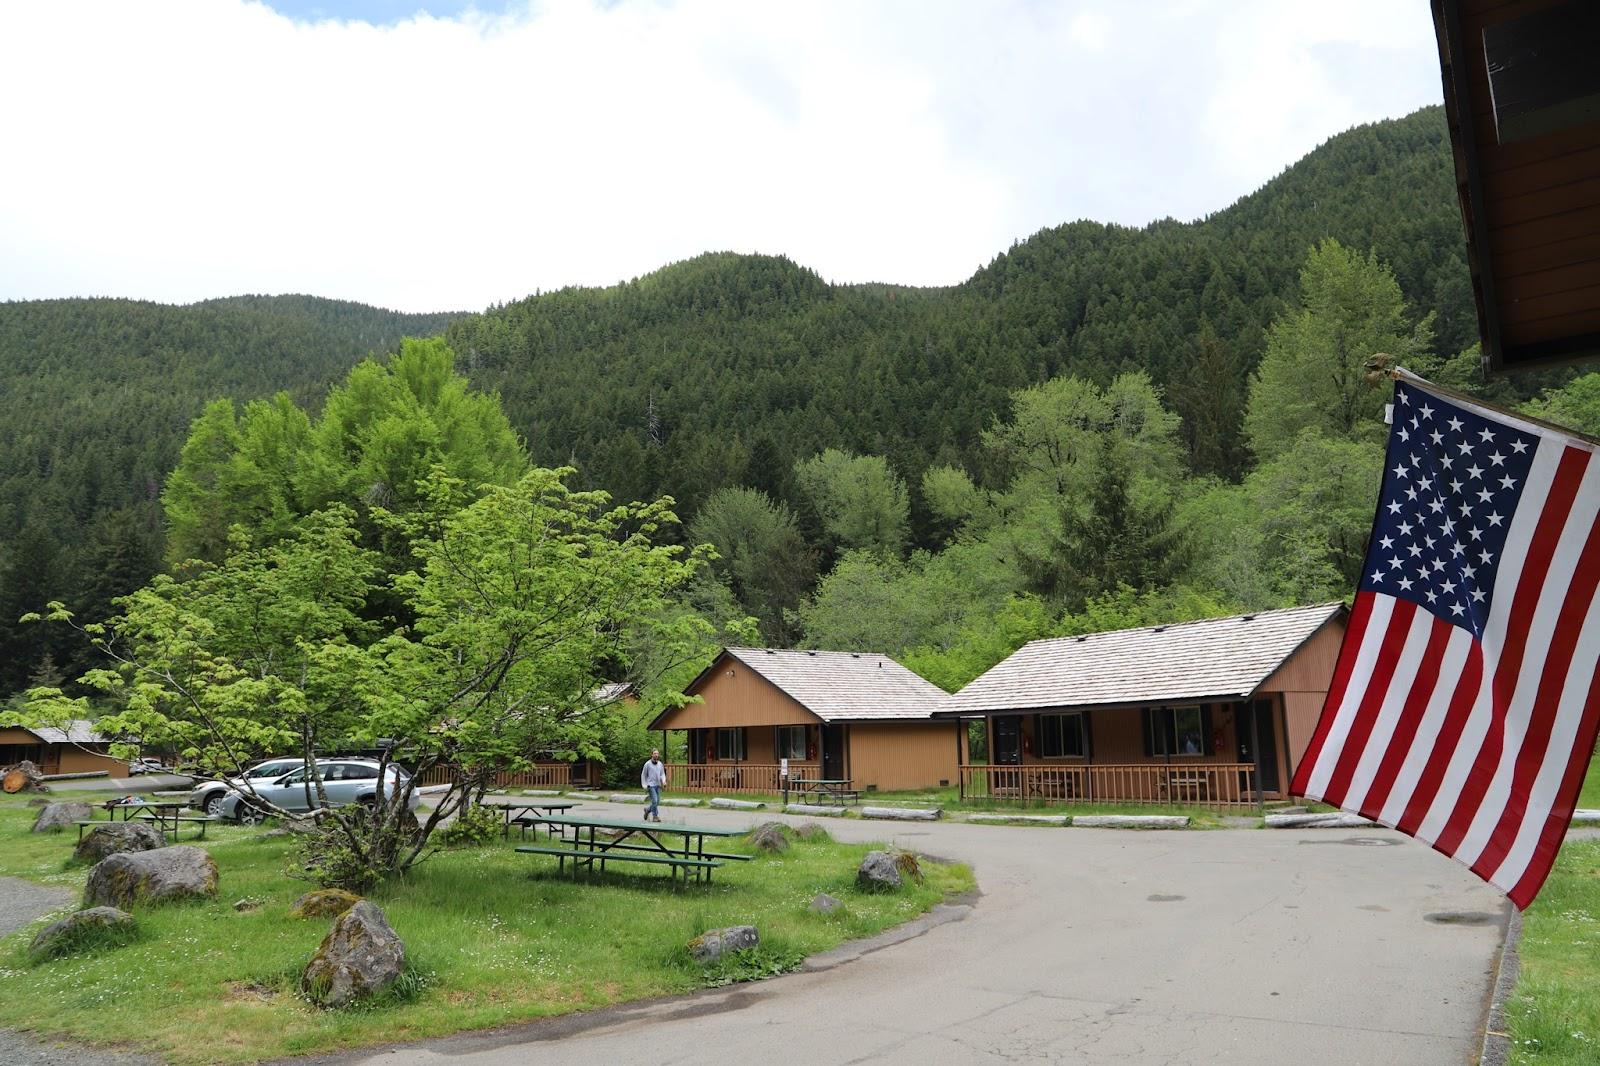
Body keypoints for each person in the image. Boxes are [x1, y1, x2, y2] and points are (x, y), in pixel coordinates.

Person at [641, 749, 667, 822]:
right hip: (651, 785)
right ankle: (655, 816)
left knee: (657, 801)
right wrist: (644, 785)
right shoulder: (647, 764)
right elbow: (643, 775)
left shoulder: (660, 764)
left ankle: (648, 809)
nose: (656, 755)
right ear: (652, 755)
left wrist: (664, 781)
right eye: (655, 753)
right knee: (654, 801)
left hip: (658, 785)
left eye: (657, 754)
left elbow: (662, 774)